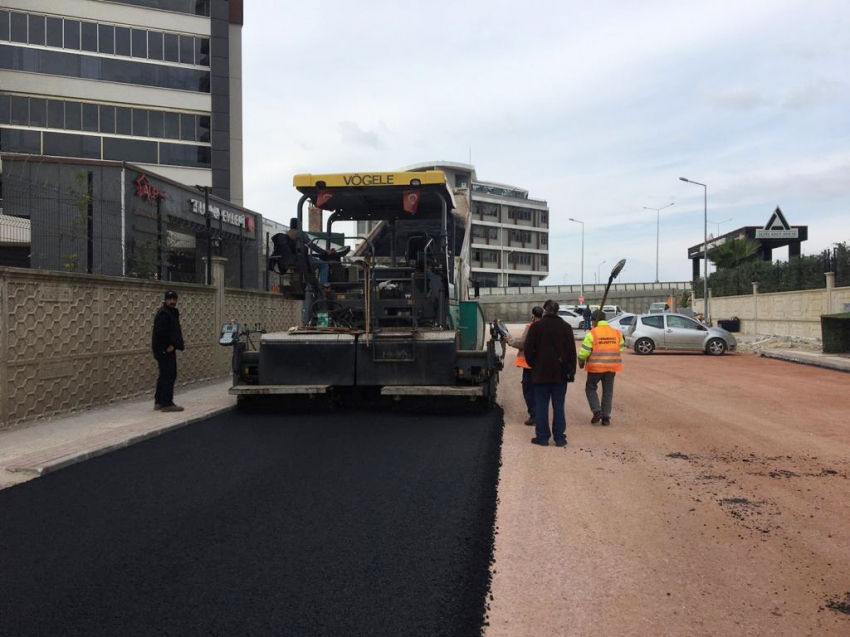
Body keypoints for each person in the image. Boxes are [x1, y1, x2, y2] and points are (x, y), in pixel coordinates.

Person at [524, 299, 577, 447]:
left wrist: (534, 365)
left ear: (544, 310)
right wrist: (571, 371)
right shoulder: (566, 327)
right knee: (559, 406)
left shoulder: (536, 327)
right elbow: (572, 352)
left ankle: (542, 438)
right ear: (557, 310)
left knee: (541, 406)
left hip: (540, 374)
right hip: (560, 375)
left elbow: (528, 350)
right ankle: (559, 438)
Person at [578, 309, 624, 427]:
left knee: (590, 388)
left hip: (596, 368)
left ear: (594, 321)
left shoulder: (592, 333)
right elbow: (621, 348)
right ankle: (606, 417)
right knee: (608, 391)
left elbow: (583, 353)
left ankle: (597, 411)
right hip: (611, 367)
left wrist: (581, 361)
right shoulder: (616, 332)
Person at [270, 218, 350, 285]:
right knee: (324, 265)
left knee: (314, 257)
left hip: (289, 260)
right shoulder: (300, 234)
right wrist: (325, 252)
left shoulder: (285, 236)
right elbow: (312, 246)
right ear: (299, 224)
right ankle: (323, 285)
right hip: (300, 260)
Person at [505, 306, 544, 426]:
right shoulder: (547, 327)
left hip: (529, 365)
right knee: (540, 390)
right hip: (543, 364)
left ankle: (534, 415)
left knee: (528, 390)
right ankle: (541, 414)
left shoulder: (530, 327)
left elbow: (523, 343)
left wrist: (510, 340)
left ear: (533, 315)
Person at [151, 290, 185, 412]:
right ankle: (166, 403)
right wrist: (168, 347)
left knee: (164, 375)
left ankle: (159, 401)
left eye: (174, 299)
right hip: (165, 351)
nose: (172, 301)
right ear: (165, 300)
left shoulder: (171, 312)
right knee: (169, 375)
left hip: (166, 350)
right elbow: (160, 334)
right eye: (169, 299)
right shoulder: (164, 314)